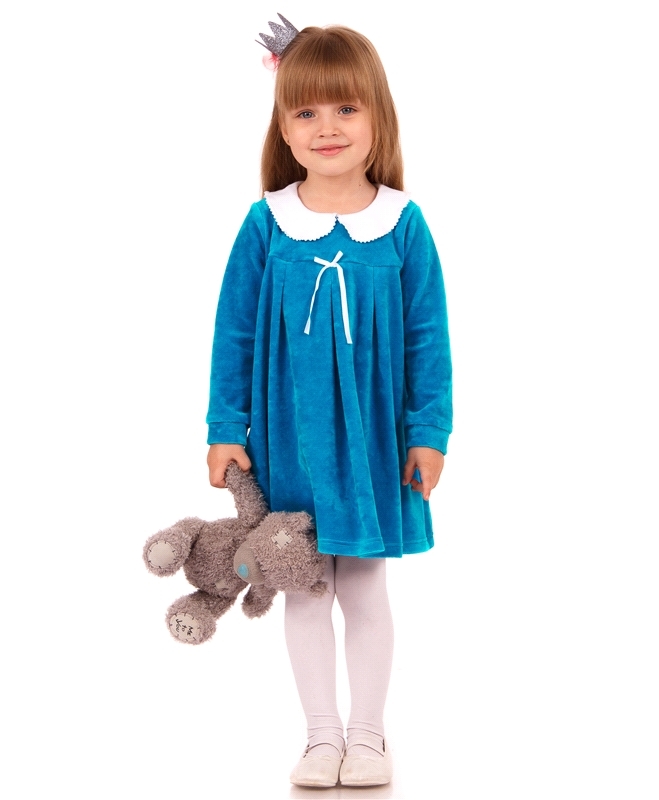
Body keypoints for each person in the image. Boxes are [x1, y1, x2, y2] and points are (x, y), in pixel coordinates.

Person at [206, 19, 452, 789]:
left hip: (374, 443)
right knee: (305, 582)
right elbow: (234, 331)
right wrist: (225, 426)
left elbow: (427, 338)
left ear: (377, 115)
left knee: (365, 585)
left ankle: (368, 736)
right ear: (283, 127)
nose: (327, 127)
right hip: (292, 438)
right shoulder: (267, 223)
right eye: (306, 111)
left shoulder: (402, 224)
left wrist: (427, 431)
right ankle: (320, 737)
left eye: (345, 108)